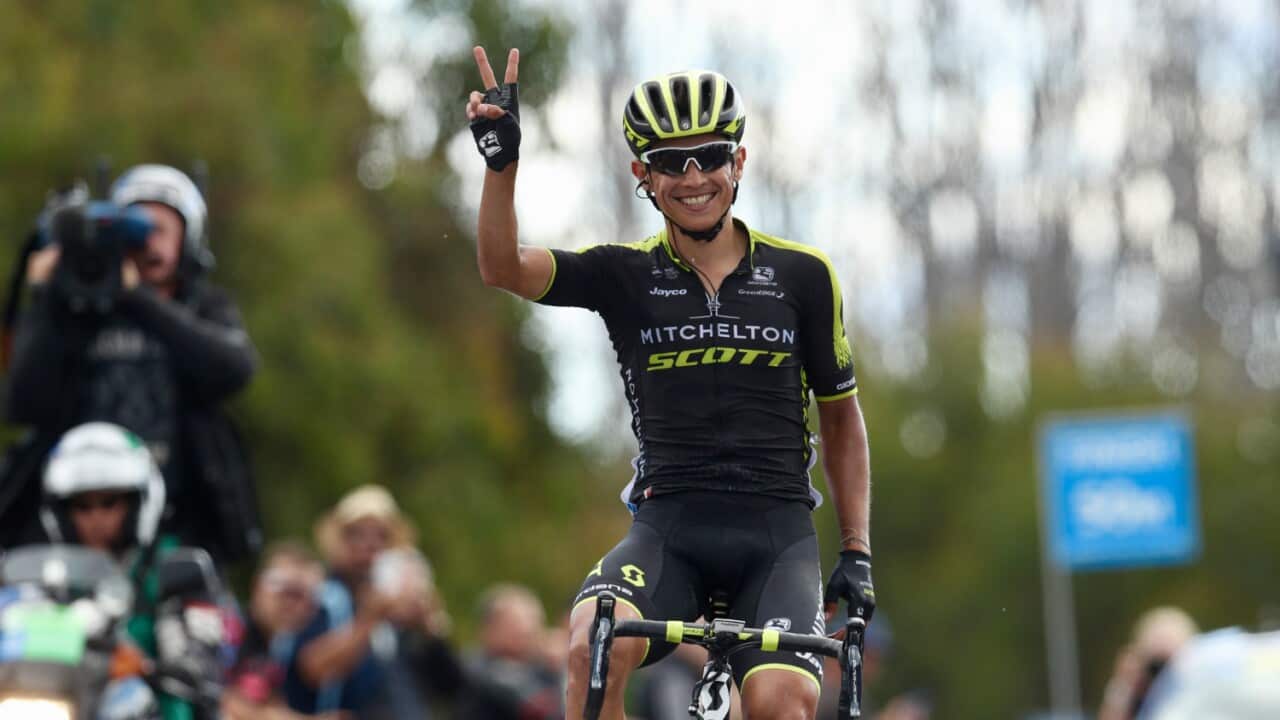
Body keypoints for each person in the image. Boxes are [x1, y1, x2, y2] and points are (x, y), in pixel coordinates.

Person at [467, 48, 875, 719]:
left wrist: (856, 551)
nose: (692, 177)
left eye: (709, 155)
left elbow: (841, 418)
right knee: (587, 647)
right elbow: (501, 267)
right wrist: (501, 166)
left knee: (783, 701)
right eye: (668, 162)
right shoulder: (623, 275)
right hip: (668, 529)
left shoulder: (804, 276)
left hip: (775, 534)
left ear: (738, 162)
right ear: (642, 174)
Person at [2, 164, 259, 561]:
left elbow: (234, 370)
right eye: (137, 230)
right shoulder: (77, 306)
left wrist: (135, 297)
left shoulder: (205, 306)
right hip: (73, 531)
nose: (147, 244)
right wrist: (44, 300)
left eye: (160, 230)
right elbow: (24, 403)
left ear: (188, 239)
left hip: (180, 529)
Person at [39, 421, 227, 720]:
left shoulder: (173, 566)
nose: (96, 517)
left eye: (109, 502)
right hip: (60, 703)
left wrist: (141, 662)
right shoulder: (48, 576)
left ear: (138, 502)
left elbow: (198, 663)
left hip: (155, 707)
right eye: (82, 506)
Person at [289, 485, 461, 718]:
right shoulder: (322, 598)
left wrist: (430, 629)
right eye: (357, 534)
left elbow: (451, 689)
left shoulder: (400, 608)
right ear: (338, 542)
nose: (370, 545)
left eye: (382, 536)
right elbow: (310, 669)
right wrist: (370, 619)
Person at [457, 583, 565, 719]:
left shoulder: (541, 669)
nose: (527, 632)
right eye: (515, 624)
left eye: (533, 623)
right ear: (489, 628)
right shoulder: (474, 667)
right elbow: (540, 709)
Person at [1099, 606, 1198, 720]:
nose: (1163, 676)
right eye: (1156, 666)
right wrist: (1123, 687)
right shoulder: (1134, 696)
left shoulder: (1206, 698)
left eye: (1170, 664)